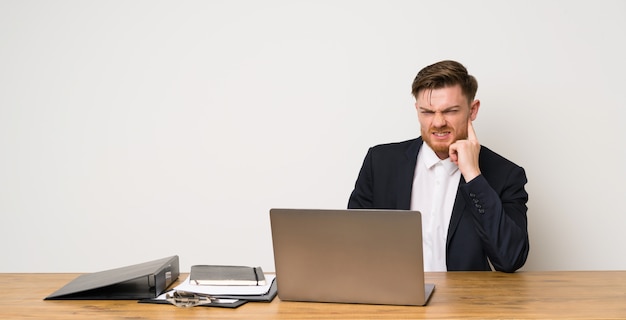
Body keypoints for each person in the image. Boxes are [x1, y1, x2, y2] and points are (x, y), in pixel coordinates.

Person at [348, 60, 529, 273]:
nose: (438, 122)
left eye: (450, 111)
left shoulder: (505, 175)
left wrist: (473, 176)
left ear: (473, 110)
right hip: (393, 300)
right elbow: (352, 244)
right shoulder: (380, 162)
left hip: (466, 304)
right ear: (417, 110)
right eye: (427, 112)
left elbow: (511, 259)